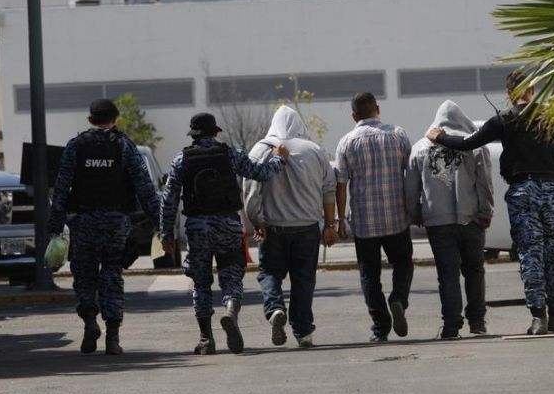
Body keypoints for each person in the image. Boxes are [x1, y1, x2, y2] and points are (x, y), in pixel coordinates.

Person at [426, 71, 554, 335]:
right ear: (532, 91)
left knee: (530, 255)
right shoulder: (553, 117)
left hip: (524, 193)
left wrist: (438, 136)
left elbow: (468, 143)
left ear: (510, 93)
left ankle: (538, 318)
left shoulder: (504, 120)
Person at [160, 112, 289, 355]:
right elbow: (258, 173)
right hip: (228, 225)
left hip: (198, 228)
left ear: (194, 134)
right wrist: (279, 160)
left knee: (200, 283)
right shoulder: (229, 153)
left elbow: (169, 200)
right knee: (231, 276)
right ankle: (230, 310)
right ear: (215, 132)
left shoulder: (181, 159)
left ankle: (206, 339)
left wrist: (166, 233)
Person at [49, 99, 161, 355]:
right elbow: (144, 186)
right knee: (112, 275)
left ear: (90, 120)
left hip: (83, 222)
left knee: (85, 275)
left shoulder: (75, 146)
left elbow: (61, 189)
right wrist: (159, 222)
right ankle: (112, 337)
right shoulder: (124, 145)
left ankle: (89, 321)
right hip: (115, 223)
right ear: (116, 119)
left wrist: (55, 226)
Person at [243, 106, 338, 349]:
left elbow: (251, 192)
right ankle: (303, 332)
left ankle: (275, 308)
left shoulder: (260, 149)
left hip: (272, 227)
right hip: (307, 227)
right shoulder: (314, 150)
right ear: (300, 125)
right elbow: (329, 189)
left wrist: (257, 220)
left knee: (270, 273)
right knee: (304, 279)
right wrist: (330, 224)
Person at [406, 100, 493, 340]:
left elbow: (411, 188)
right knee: (474, 270)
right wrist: (486, 212)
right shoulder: (474, 145)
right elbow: (485, 183)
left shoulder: (420, 148)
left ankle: (451, 326)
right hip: (472, 219)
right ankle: (477, 322)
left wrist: (415, 212)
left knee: (447, 274)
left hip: (437, 221)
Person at [335, 92, 414, 343]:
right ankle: (398, 299)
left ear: (354, 115)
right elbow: (411, 174)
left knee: (369, 274)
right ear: (377, 109)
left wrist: (339, 220)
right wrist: (414, 208)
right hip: (396, 217)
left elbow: (341, 184)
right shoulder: (397, 134)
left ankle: (380, 326)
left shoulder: (346, 142)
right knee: (403, 263)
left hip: (364, 222)